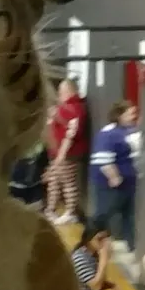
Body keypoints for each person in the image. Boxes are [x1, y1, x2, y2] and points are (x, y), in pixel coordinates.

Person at [89, 100, 139, 258]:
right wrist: (115, 177)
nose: (133, 116)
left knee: (129, 217)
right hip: (112, 186)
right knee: (103, 215)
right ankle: (90, 247)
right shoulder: (108, 133)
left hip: (129, 185)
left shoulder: (129, 131)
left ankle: (132, 248)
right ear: (119, 115)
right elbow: (102, 158)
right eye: (130, 113)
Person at [46, 78, 88, 225]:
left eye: (62, 91)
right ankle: (50, 210)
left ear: (69, 91)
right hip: (58, 154)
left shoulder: (74, 108)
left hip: (68, 154)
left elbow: (71, 133)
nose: (60, 94)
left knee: (67, 183)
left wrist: (61, 155)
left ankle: (71, 212)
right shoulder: (64, 108)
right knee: (54, 183)